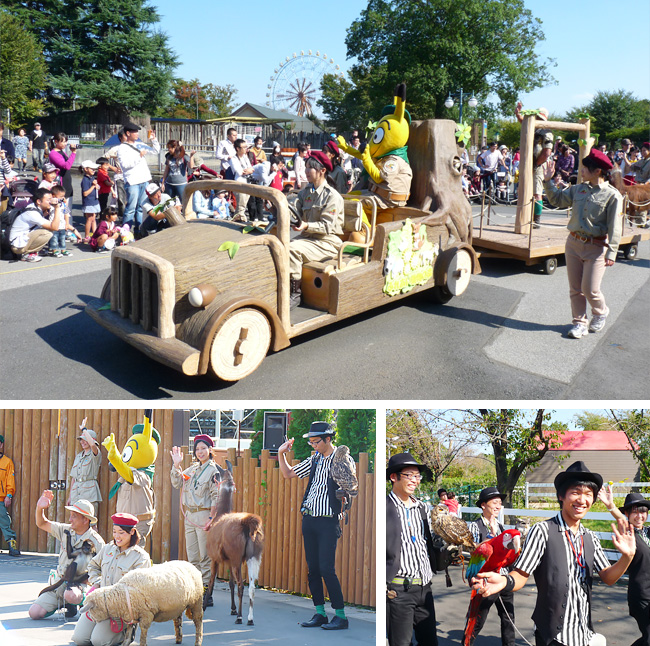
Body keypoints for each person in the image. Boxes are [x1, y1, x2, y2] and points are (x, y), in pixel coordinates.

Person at [471, 461, 636, 646]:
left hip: (584, 634)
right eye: (575, 492)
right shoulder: (542, 531)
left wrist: (627, 557)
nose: (582, 500)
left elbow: (608, 577)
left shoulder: (590, 537)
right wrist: (504, 581)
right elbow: (521, 573)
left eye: (588, 494)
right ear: (561, 496)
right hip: (552, 635)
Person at [543, 149, 622, 339]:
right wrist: (548, 181)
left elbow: (615, 227)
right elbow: (557, 199)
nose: (581, 171)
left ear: (597, 172)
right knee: (575, 289)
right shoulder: (578, 189)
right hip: (573, 243)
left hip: (596, 248)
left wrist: (612, 252)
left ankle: (600, 311)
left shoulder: (613, 195)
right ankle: (579, 323)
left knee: (590, 289)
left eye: (585, 168)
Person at [278, 422, 349, 630]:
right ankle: (320, 613)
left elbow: (351, 486)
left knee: (327, 568)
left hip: (328, 520)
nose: (313, 445)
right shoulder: (315, 458)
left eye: (316, 441)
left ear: (328, 439)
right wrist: (281, 455)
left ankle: (341, 616)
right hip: (309, 519)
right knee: (313, 569)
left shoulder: (342, 459)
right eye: (311, 441)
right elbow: (288, 474)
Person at [72, 512, 151, 646]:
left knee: (98, 641)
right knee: (80, 639)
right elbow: (93, 565)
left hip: (120, 609)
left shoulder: (140, 557)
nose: (117, 536)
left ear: (132, 532)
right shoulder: (108, 548)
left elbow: (140, 590)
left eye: (121, 532)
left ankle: (126, 634)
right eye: (114, 532)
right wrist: (97, 582)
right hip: (99, 603)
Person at [386, 453, 437, 646]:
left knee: (430, 642)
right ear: (394, 477)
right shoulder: (384, 508)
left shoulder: (422, 508)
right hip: (398, 590)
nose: (414, 480)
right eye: (409, 475)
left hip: (425, 589)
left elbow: (427, 542)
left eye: (417, 476)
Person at [29, 492, 105, 620]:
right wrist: (40, 508)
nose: (70, 520)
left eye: (74, 516)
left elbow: (105, 569)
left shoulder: (97, 542)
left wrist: (91, 584)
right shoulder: (65, 530)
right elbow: (42, 523)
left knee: (71, 595)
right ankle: (64, 604)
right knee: (34, 613)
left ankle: (83, 602)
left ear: (85, 519)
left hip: (81, 585)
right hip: (61, 582)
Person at [288, 151, 344, 309]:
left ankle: (295, 293)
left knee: (291, 249)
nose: (306, 172)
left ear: (322, 171)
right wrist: (274, 210)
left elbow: (327, 226)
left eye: (310, 168)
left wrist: (306, 225)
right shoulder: (306, 192)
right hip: (309, 239)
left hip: (328, 242)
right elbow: (293, 210)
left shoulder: (332, 196)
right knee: (278, 245)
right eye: (305, 168)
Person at [170, 434, 219, 607]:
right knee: (192, 556)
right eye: (197, 449)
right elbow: (177, 483)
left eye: (203, 448)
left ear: (210, 450)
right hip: (190, 516)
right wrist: (176, 465)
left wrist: (212, 518)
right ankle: (196, 590)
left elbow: (216, 495)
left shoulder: (214, 471)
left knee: (204, 556)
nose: (200, 452)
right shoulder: (191, 470)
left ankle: (206, 592)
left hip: (204, 515)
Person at [599, 488, 650, 646]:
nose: (639, 516)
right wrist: (610, 506)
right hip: (641, 595)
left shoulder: (648, 533)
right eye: (634, 512)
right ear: (627, 514)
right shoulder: (629, 533)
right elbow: (621, 520)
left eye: (643, 511)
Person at [464, 487, 515, 646]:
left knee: (508, 618)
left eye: (500, 503)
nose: (498, 506)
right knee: (477, 618)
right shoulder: (474, 526)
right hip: (484, 580)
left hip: (503, 577)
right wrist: (492, 537)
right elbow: (472, 550)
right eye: (494, 502)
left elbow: (508, 552)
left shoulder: (501, 526)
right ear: (483, 505)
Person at [116, 123, 161, 234]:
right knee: (130, 208)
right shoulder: (122, 148)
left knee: (141, 208)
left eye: (137, 132)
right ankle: (125, 233)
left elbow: (156, 151)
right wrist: (139, 156)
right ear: (128, 133)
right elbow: (125, 165)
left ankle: (139, 231)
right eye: (135, 132)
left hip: (144, 179)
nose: (137, 134)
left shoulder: (140, 144)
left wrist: (154, 140)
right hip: (132, 181)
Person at [515, 102, 554, 228]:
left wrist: (537, 164)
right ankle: (527, 217)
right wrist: (518, 113)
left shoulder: (547, 133)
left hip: (538, 164)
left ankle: (536, 220)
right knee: (525, 190)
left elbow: (547, 152)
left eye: (538, 117)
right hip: (529, 163)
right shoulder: (533, 128)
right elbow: (523, 121)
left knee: (537, 192)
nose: (536, 119)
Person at [9, 187, 60, 262]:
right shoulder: (32, 213)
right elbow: (54, 227)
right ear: (39, 201)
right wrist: (57, 208)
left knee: (47, 230)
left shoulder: (34, 207)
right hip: (16, 247)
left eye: (51, 199)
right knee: (47, 233)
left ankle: (33, 251)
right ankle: (27, 254)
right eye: (48, 200)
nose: (51, 202)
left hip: (20, 241)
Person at [68, 418, 102, 517]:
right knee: (75, 521)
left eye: (85, 439)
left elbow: (92, 444)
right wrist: (70, 497)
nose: (82, 442)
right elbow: (73, 478)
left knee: (91, 522)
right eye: (81, 440)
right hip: (76, 494)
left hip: (89, 494)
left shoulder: (95, 454)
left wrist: (84, 429)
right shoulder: (78, 456)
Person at [0, 434, 20, 556]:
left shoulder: (7, 462)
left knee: (4, 521)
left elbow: (10, 480)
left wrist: (9, 495)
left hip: (1, 498)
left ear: (1, 445)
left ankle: (11, 545)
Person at [48, 132, 77, 209]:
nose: (65, 143)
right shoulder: (53, 153)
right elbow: (66, 166)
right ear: (56, 141)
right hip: (61, 183)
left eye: (66, 141)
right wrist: (73, 153)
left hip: (67, 182)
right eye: (63, 141)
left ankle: (68, 221)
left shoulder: (62, 152)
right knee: (62, 209)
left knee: (68, 210)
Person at [47, 184, 78, 257]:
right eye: (61, 196)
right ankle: (54, 250)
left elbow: (67, 213)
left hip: (62, 225)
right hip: (54, 225)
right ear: (54, 196)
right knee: (54, 238)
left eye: (63, 196)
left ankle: (63, 249)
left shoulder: (63, 205)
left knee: (62, 238)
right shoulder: (51, 205)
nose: (63, 198)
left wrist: (67, 223)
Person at [230, 138, 254, 222]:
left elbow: (251, 168)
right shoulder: (233, 159)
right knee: (241, 205)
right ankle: (242, 220)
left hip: (247, 182)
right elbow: (240, 172)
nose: (245, 148)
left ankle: (236, 220)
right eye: (243, 147)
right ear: (237, 148)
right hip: (239, 183)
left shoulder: (245, 157)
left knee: (243, 205)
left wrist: (248, 170)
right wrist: (248, 170)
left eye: (246, 147)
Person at [80, 160, 101, 242]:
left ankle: (95, 234)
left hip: (94, 200)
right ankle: (87, 236)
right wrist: (93, 186)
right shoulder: (85, 180)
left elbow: (96, 187)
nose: (94, 170)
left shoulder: (92, 178)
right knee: (89, 219)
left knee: (94, 218)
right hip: (89, 202)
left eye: (94, 169)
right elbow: (85, 193)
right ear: (85, 169)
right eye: (92, 169)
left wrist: (97, 186)